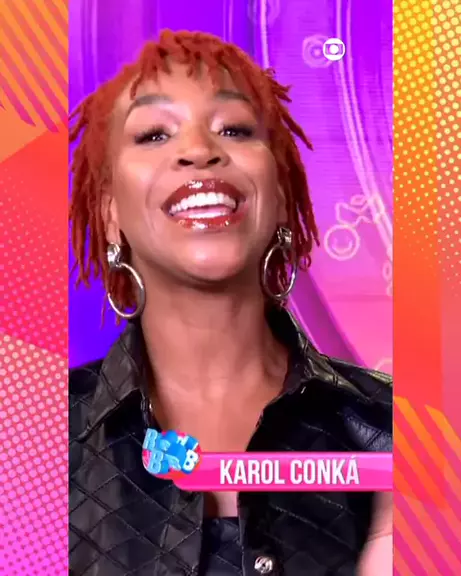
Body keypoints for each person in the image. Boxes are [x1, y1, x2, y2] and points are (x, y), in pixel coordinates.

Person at [69, 30, 392, 576]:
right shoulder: (25, 442)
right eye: (153, 134)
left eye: (234, 129)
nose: (199, 151)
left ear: (282, 197)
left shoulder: (401, 431)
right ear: (109, 216)